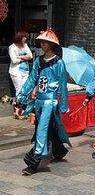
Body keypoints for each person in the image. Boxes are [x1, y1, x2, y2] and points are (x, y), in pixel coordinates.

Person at [17, 29, 70, 176]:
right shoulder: (38, 61)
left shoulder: (59, 63)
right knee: (45, 129)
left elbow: (63, 86)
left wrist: (64, 105)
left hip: (50, 102)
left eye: (45, 42)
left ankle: (34, 162)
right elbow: (31, 79)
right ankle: (59, 151)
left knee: (42, 131)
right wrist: (22, 95)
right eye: (41, 42)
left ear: (52, 44)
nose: (42, 44)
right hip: (38, 101)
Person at [8, 30, 33, 119]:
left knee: (25, 90)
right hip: (16, 72)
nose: (25, 38)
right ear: (20, 38)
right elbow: (14, 60)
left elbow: (31, 56)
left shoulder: (25, 46)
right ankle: (18, 112)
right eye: (24, 37)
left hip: (25, 71)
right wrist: (24, 57)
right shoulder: (12, 47)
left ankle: (21, 110)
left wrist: (19, 57)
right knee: (19, 90)